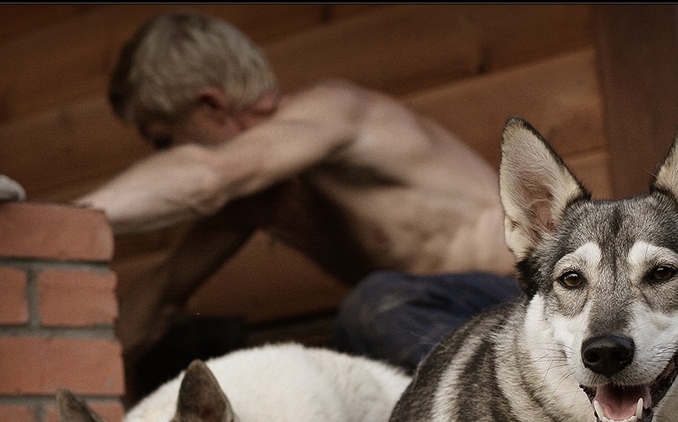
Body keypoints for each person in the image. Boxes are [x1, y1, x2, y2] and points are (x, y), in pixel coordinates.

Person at [76, 11, 521, 381]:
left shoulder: (334, 108)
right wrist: (84, 375)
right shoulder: (259, 195)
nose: (168, 158)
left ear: (211, 106)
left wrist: (57, 223)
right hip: (449, 333)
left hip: (527, 306)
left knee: (375, 304)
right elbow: (165, 292)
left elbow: (205, 179)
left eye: (165, 141)